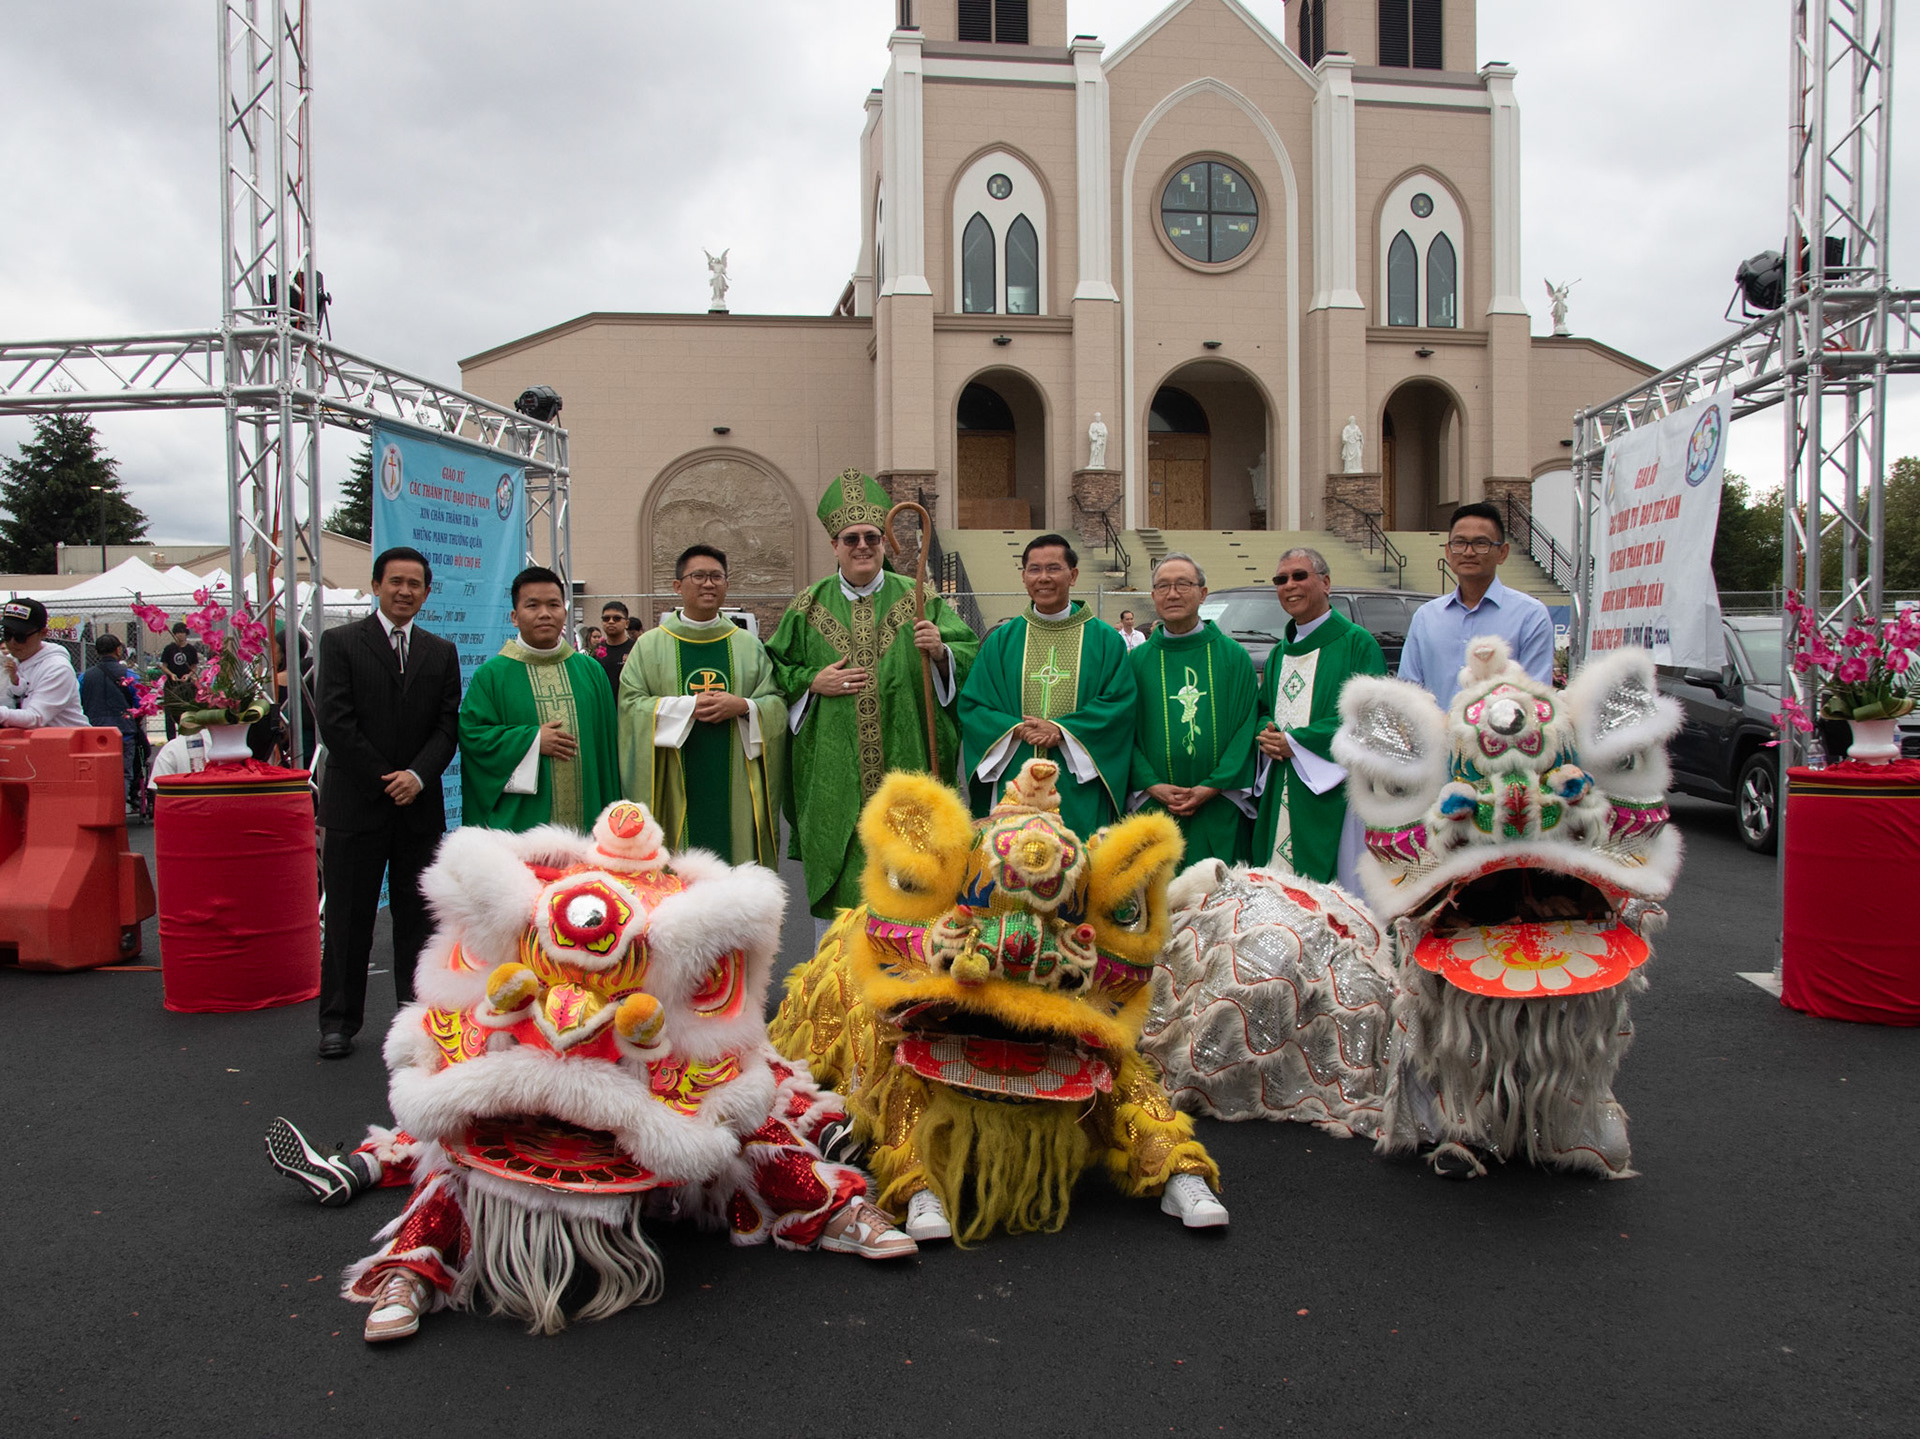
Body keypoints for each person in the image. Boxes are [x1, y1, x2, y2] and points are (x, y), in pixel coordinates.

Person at [765, 470, 979, 931]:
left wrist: (942, 652)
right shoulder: (807, 606)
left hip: (907, 767)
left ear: (884, 542)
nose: (863, 545)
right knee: (845, 900)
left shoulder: (920, 598)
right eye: (851, 539)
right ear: (835, 546)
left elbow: (968, 654)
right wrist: (810, 682)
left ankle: (909, 987)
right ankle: (835, 990)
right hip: (833, 773)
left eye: (872, 537)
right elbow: (775, 671)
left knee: (913, 885)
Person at [314, 547, 462, 1061]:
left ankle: (417, 1018)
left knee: (418, 920)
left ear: (426, 591)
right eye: (395, 581)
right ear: (376, 585)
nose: (405, 591)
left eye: (415, 583)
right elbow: (335, 721)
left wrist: (418, 776)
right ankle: (338, 1021)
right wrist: (385, 780)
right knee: (350, 918)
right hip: (357, 802)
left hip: (418, 807)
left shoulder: (440, 652)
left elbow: (448, 726)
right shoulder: (339, 643)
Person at [617, 544, 787, 867]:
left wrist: (744, 707)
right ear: (677, 586)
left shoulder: (748, 646)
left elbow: (776, 703)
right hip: (674, 778)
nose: (708, 584)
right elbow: (631, 705)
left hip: (736, 781)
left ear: (726, 585)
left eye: (716, 577)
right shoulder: (650, 645)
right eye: (698, 576)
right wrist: (686, 709)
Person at [959, 533, 1136, 839]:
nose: (1043, 578)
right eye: (1034, 569)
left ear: (1073, 575)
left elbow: (1118, 704)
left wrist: (1061, 731)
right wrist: (1015, 728)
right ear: (1024, 577)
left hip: (1076, 780)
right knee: (1010, 868)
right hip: (1015, 775)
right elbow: (974, 705)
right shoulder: (1001, 641)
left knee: (1079, 867)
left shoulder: (1106, 641)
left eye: (1053, 568)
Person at [1249, 547, 1385, 888]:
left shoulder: (1357, 643)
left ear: (1325, 583)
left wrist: (1296, 742)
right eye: (1281, 579)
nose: (1289, 585)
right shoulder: (1280, 652)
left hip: (1335, 790)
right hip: (1282, 780)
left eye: (1299, 576)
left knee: (1337, 891)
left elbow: (1370, 716)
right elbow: (1265, 707)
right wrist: (1265, 733)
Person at [459, 565, 621, 833]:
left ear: (565, 613)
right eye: (532, 606)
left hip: (587, 822)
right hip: (521, 826)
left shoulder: (591, 671)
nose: (545, 614)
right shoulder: (491, 676)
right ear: (514, 616)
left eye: (553, 605)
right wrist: (532, 741)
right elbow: (474, 738)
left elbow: (607, 750)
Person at [1126, 554, 1258, 866]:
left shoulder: (1233, 657)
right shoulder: (1136, 661)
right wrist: (1150, 783)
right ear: (1153, 596)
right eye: (1163, 586)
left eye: (1183, 584)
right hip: (1153, 807)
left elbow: (1245, 727)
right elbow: (1122, 731)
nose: (1172, 594)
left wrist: (1213, 785)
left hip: (1219, 806)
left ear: (1203, 593)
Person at [1399, 501, 1555, 709]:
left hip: (1502, 739)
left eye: (1481, 544)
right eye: (1460, 543)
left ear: (1503, 553)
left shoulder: (1530, 615)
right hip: (1435, 739)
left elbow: (1536, 697)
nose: (1469, 552)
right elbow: (1408, 692)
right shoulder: (1426, 617)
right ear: (1447, 551)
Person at [0, 599, 87, 729]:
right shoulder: (9, 662)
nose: (12, 642)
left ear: (43, 634)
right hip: (31, 744)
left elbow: (36, 717)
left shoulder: (57, 668)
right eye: (7, 634)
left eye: (20, 636)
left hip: (70, 743)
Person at [80, 634, 142, 809]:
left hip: (94, 733)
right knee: (123, 772)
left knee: (97, 773)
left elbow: (79, 701)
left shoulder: (85, 677)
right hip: (124, 732)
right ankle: (118, 808)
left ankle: (96, 808)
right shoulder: (129, 675)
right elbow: (140, 704)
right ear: (118, 650)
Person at [159, 622, 198, 740]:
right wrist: (171, 674)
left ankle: (186, 735)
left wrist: (189, 675)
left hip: (186, 686)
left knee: (186, 710)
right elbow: (163, 665)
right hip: (171, 685)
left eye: (182, 632)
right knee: (170, 713)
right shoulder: (169, 649)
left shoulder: (191, 649)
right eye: (177, 633)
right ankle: (171, 739)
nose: (180, 635)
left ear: (186, 634)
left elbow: (194, 666)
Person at [595, 601, 639, 691]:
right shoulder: (594, 652)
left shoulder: (637, 649)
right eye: (606, 618)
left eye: (617, 618)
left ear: (626, 623)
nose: (611, 622)